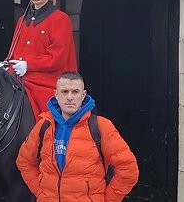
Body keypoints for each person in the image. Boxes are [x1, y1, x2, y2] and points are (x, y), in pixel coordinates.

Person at [16, 72, 139, 202]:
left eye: (75, 92)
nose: (70, 97)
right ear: (56, 95)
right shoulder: (44, 125)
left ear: (83, 95)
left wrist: (109, 199)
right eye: (64, 91)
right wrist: (40, 193)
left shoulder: (101, 126)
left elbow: (128, 169)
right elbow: (24, 161)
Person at [5, 0, 77, 122]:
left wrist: (29, 65)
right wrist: (6, 65)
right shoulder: (22, 20)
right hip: (19, 77)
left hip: (46, 81)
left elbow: (57, 58)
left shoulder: (60, 19)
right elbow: (14, 52)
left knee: (47, 119)